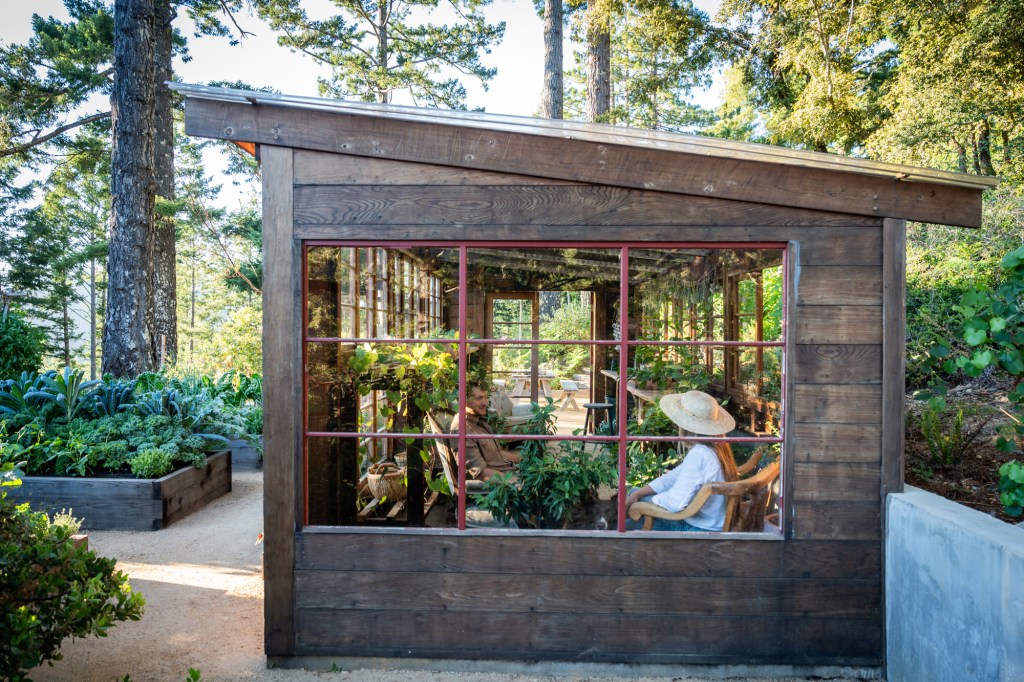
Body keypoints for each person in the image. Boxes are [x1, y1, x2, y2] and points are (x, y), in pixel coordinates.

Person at [625, 390, 739, 531]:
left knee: (628, 523)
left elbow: (675, 503)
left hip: (699, 528)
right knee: (635, 492)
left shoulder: (700, 454)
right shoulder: (716, 447)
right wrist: (639, 493)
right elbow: (674, 476)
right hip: (712, 521)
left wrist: (650, 501)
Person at [448, 381, 521, 481]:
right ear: (464, 400)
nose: (485, 403)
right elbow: (480, 472)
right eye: (479, 398)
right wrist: (513, 481)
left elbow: (499, 454)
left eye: (486, 397)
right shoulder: (461, 429)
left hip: (510, 472)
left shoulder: (480, 421)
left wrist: (523, 460)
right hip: (500, 483)